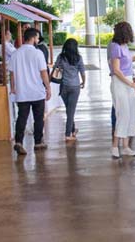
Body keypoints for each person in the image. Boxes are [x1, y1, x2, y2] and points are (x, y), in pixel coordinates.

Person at [10, 27, 50, 155]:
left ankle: (18, 142)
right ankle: (38, 142)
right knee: (38, 118)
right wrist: (48, 87)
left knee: (22, 117)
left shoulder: (16, 53)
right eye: (37, 38)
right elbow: (43, 72)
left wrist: (13, 87)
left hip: (22, 92)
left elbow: (11, 73)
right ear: (33, 38)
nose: (38, 40)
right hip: (37, 91)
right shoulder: (38, 53)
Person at [109, 22, 135, 158]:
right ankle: (115, 147)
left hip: (127, 81)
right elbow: (116, 70)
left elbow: (126, 62)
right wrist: (130, 83)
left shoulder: (124, 46)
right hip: (120, 83)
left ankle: (126, 146)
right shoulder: (115, 47)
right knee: (123, 114)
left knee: (130, 113)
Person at [53, 38, 86, 142]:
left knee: (69, 110)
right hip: (75, 87)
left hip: (63, 87)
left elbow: (55, 68)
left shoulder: (61, 57)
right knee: (70, 111)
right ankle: (68, 134)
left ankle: (72, 130)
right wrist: (83, 82)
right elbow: (82, 72)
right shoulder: (78, 58)